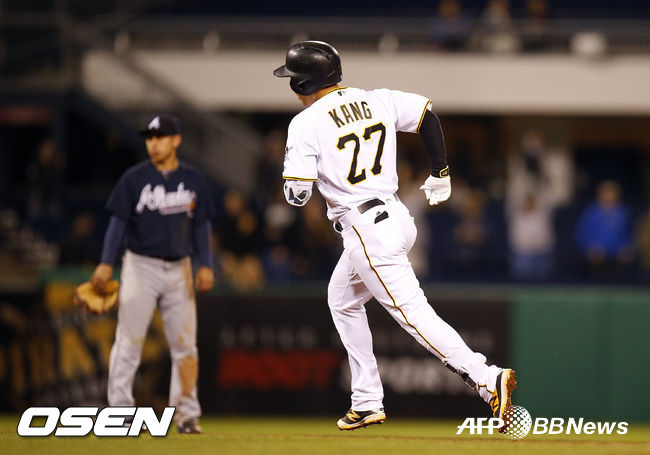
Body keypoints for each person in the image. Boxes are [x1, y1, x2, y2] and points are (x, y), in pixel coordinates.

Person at [273, 41, 516, 432]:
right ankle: (366, 400)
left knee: (414, 315)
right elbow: (427, 117)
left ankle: (487, 378)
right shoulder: (376, 98)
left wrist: (295, 175)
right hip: (397, 217)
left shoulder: (305, 122)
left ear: (301, 84)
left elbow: (297, 195)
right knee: (342, 300)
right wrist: (440, 172)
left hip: (366, 230)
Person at [90, 113, 215, 434]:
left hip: (180, 267)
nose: (153, 143)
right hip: (140, 266)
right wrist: (106, 262)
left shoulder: (193, 179)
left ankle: (186, 415)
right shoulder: (134, 179)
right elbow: (117, 223)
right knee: (128, 342)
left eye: (160, 137)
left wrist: (205, 264)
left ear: (176, 140)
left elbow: (201, 226)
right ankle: (119, 413)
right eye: (149, 138)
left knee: (185, 347)